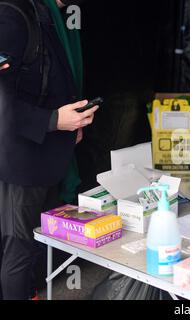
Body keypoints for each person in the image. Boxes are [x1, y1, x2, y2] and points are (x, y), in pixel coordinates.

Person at [0, 0, 97, 299]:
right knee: (20, 248)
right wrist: (55, 120)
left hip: (47, 157)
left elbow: (44, 80)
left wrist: (71, 122)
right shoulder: (12, 15)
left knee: (39, 244)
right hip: (21, 163)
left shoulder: (48, 13)